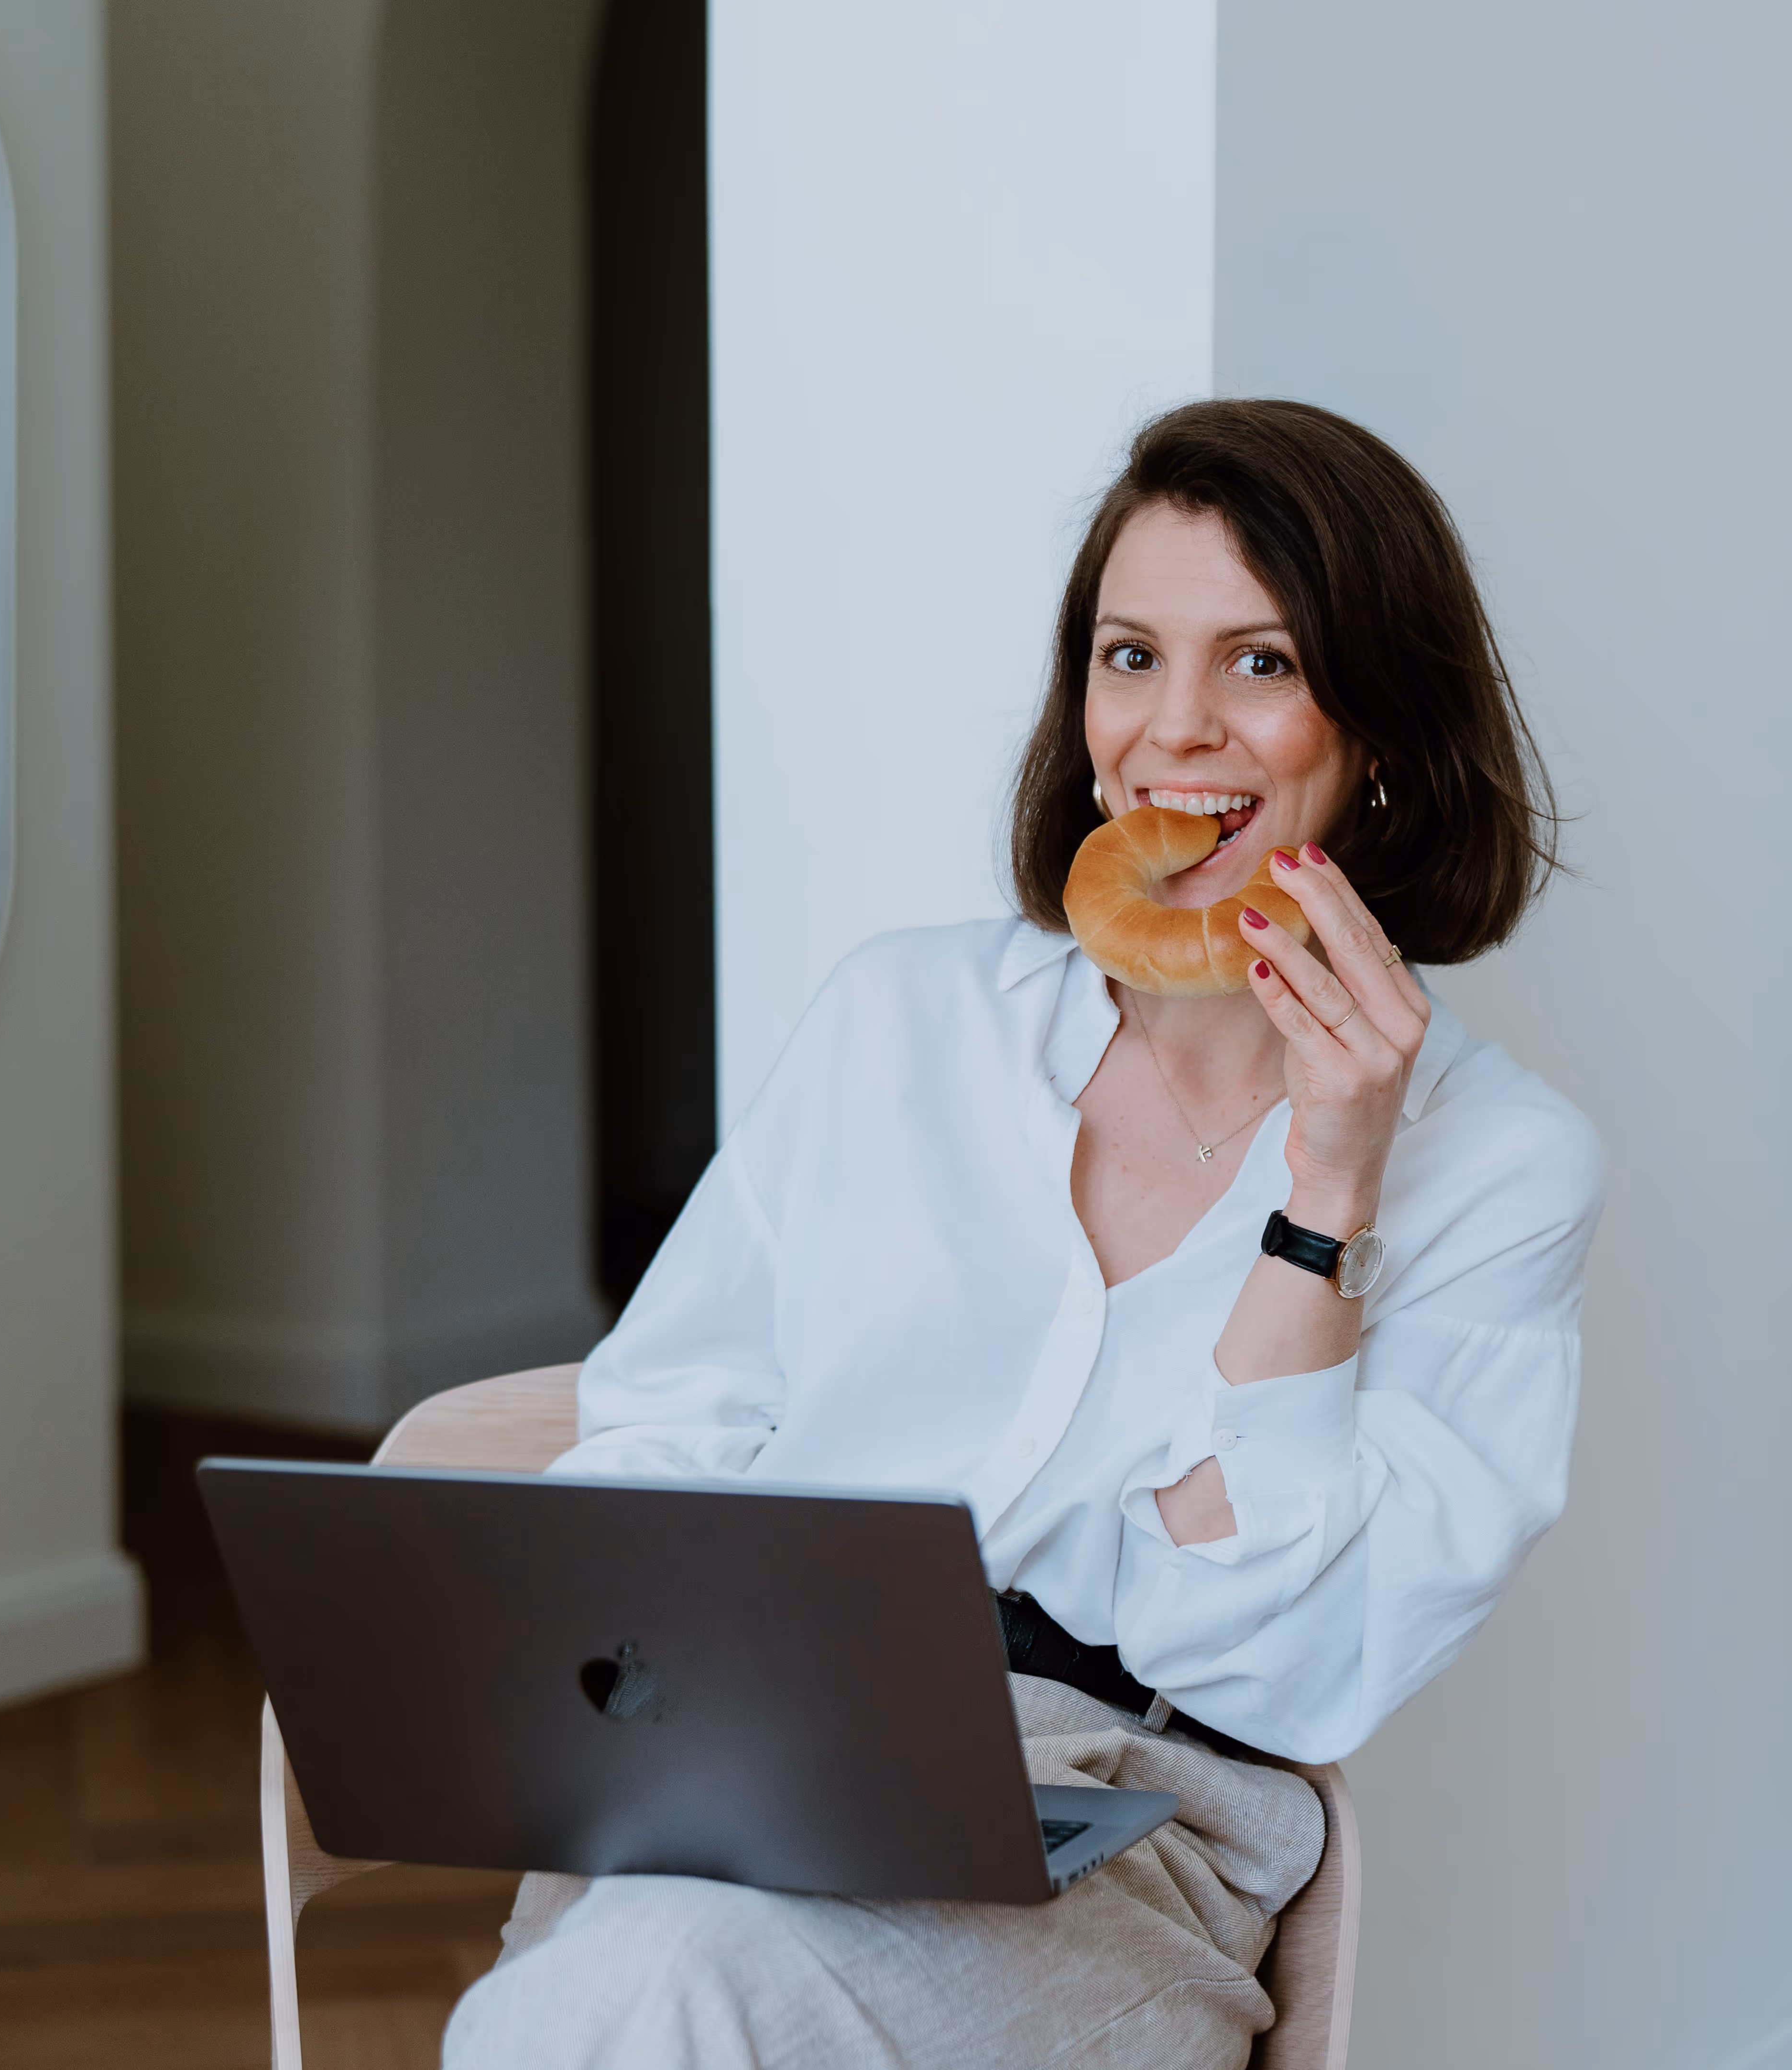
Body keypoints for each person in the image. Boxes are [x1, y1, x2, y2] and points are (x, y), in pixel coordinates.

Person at [447, 399, 1605, 2068]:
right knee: (645, 1965)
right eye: (1130, 656)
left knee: (649, 1989)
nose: (1175, 728)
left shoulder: (1496, 1168)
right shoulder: (896, 1021)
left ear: (1387, 739)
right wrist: (675, 1705)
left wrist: (1326, 1195)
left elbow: (1278, 1666)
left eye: (1262, 663)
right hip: (756, 1752)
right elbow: (668, 1423)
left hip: (1126, 1832)